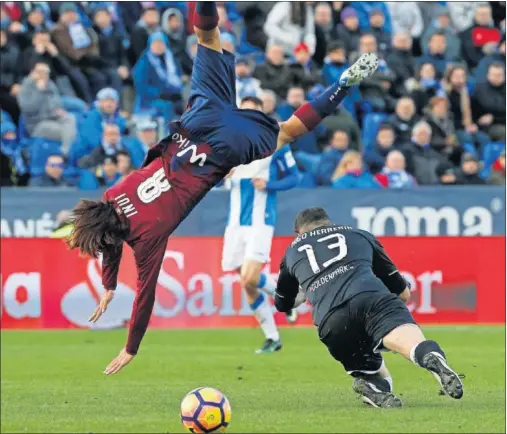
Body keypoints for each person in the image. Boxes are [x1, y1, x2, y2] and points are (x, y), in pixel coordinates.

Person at [66, 1, 379, 376]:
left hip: (221, 149)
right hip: (199, 120)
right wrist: (109, 284)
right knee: (207, 38)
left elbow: (144, 296)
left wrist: (131, 346)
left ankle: (341, 86)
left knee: (287, 131)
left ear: (108, 237)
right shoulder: (112, 196)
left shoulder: (147, 237)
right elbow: (110, 237)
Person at [274, 207, 464, 408]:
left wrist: (305, 290)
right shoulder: (359, 235)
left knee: (373, 373)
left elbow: (282, 303)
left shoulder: (291, 253)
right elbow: (402, 293)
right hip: (371, 298)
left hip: (331, 320)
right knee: (414, 345)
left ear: (298, 232)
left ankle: (373, 389)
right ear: (328, 222)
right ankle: (428, 356)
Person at [222, 96, 301, 354]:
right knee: (246, 282)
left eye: (253, 112)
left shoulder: (275, 143)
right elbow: (211, 181)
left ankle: (289, 298)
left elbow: (294, 177)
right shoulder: (228, 146)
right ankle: (273, 337)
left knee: (251, 277)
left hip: (260, 220)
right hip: (235, 223)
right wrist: (220, 175)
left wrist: (270, 185)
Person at [18, 62, 77, 153]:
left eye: (46, 73)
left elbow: (58, 103)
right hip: (37, 124)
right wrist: (39, 91)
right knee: (66, 132)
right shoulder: (26, 87)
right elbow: (29, 109)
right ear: (32, 72)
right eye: (40, 72)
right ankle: (66, 153)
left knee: (71, 118)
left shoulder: (50, 85)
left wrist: (58, 110)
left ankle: (66, 151)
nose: (43, 75)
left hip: (53, 118)